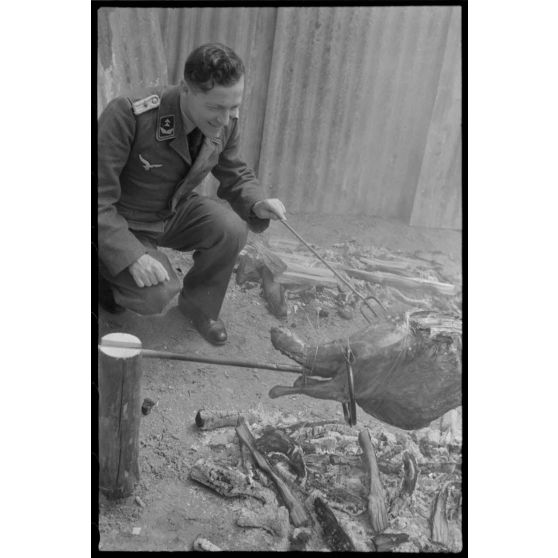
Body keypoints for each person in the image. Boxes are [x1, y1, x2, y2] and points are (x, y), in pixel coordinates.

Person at [97, 43, 287, 345]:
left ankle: (199, 308)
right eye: (215, 107)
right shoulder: (129, 115)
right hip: (126, 222)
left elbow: (234, 170)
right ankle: (101, 278)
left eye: (234, 107)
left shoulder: (224, 119)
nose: (225, 120)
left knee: (231, 228)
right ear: (186, 90)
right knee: (155, 294)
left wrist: (257, 201)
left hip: (173, 213)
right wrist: (131, 256)